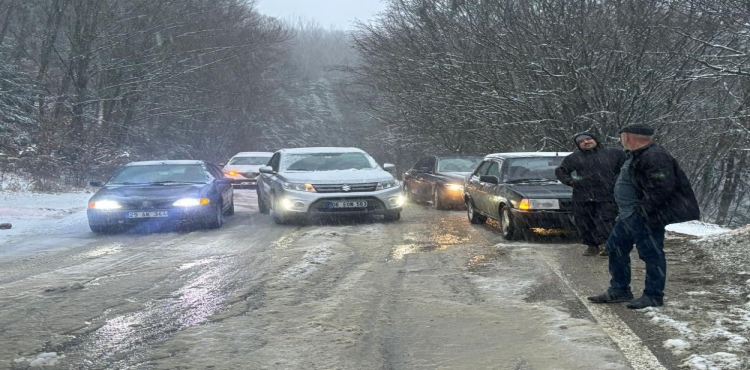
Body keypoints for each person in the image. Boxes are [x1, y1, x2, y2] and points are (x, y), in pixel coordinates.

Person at [587, 123, 700, 309]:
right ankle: (619, 290)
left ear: (628, 137)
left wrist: (642, 212)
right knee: (615, 247)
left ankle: (653, 295)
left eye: (621, 136)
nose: (620, 140)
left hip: (646, 216)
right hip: (628, 216)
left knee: (651, 254)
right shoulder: (636, 155)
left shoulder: (655, 156)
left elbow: (661, 188)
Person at [556, 132, 625, 256]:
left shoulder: (614, 153)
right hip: (582, 196)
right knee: (584, 222)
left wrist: (617, 181)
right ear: (578, 145)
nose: (586, 142)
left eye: (588, 139)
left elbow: (626, 168)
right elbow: (561, 171)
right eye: (581, 141)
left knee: (606, 221)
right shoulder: (574, 157)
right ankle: (591, 245)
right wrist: (570, 181)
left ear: (596, 140)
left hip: (607, 195)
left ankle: (606, 245)